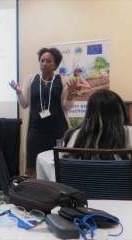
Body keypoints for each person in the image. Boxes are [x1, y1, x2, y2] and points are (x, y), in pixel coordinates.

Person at [9, 47, 77, 179]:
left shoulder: (62, 80)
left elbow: (67, 107)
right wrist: (18, 92)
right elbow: (24, 104)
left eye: (48, 61)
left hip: (58, 130)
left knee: (58, 165)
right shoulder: (31, 79)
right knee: (32, 168)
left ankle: (57, 194)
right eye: (42, 60)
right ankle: (35, 196)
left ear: (55, 64)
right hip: (36, 130)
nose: (44, 64)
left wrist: (71, 93)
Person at [62, 89, 132, 160]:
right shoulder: (129, 132)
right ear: (120, 110)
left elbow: (66, 164)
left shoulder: (74, 134)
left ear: (89, 111)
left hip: (84, 171)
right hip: (119, 171)